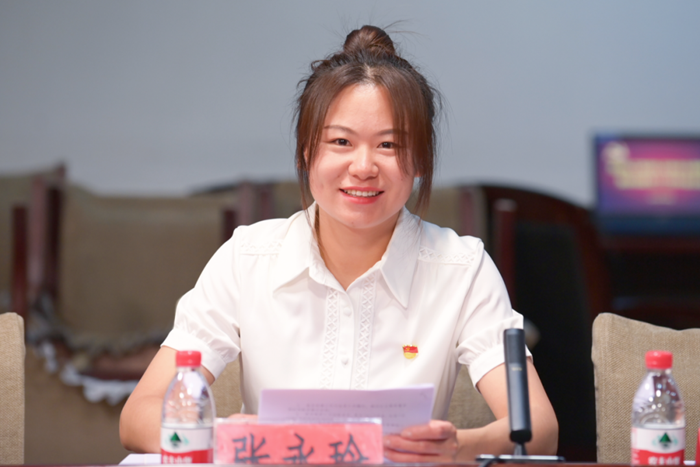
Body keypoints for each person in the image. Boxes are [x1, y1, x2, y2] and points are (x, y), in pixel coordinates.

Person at [120, 25, 558, 462]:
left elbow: (540, 430)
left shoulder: (462, 268)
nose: (363, 166)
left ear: (421, 159)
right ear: (305, 152)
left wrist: (457, 448)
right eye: (341, 142)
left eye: (389, 144)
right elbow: (138, 416)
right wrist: (232, 439)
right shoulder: (246, 258)